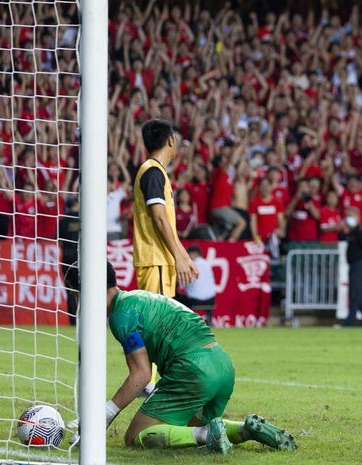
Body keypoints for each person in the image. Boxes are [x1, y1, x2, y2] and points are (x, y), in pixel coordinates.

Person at [64, 262, 296, 453]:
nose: (78, 303)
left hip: (192, 372)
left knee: (136, 436)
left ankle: (207, 434)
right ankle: (246, 429)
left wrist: (106, 414)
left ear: (89, 290)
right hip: (222, 366)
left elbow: (142, 374)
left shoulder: (121, 316)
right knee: (187, 428)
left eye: (76, 295)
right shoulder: (138, 297)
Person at [133, 119, 199, 393]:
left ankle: (149, 383)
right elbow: (159, 219)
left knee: (157, 326)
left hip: (157, 261)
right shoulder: (153, 172)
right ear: (170, 140)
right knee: (157, 327)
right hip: (156, 260)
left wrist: (179, 256)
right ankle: (148, 385)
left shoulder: (154, 172)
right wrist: (180, 255)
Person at [175, 245, 217, 324]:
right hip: (211, 299)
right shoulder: (207, 264)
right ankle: (209, 321)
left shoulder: (192, 265)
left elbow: (182, 284)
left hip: (195, 300)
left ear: (193, 253)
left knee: (175, 297)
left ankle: (183, 322)